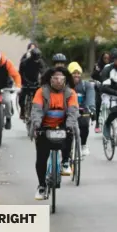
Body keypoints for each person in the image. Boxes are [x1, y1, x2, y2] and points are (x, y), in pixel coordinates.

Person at [30, 67, 79, 200]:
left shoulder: (70, 93)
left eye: (61, 78)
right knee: (41, 158)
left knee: (70, 134)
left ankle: (65, 162)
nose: (58, 81)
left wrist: (69, 126)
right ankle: (41, 186)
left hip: (63, 126)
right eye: (55, 78)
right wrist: (37, 125)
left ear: (65, 80)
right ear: (49, 79)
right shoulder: (41, 92)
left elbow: (73, 111)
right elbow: (36, 110)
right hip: (44, 127)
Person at [68, 61, 95, 156]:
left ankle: (83, 144)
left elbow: (90, 98)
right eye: (74, 73)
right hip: (69, 110)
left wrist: (92, 109)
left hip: (82, 110)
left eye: (78, 73)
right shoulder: (65, 86)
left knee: (84, 124)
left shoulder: (86, 85)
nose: (76, 75)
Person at [18, 47, 45, 119]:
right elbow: (21, 74)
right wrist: (25, 82)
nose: (37, 60)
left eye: (38, 59)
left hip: (35, 81)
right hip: (25, 81)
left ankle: (38, 111)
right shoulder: (24, 62)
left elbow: (43, 73)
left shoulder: (40, 62)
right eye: (35, 59)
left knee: (40, 96)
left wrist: (41, 82)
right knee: (21, 97)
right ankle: (23, 110)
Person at [91, 51, 110, 133]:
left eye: (108, 58)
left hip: (109, 88)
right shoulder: (98, 66)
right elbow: (93, 76)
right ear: (102, 58)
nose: (106, 60)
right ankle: (97, 124)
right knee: (98, 104)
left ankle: (110, 123)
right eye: (105, 58)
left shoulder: (111, 66)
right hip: (99, 87)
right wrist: (96, 80)